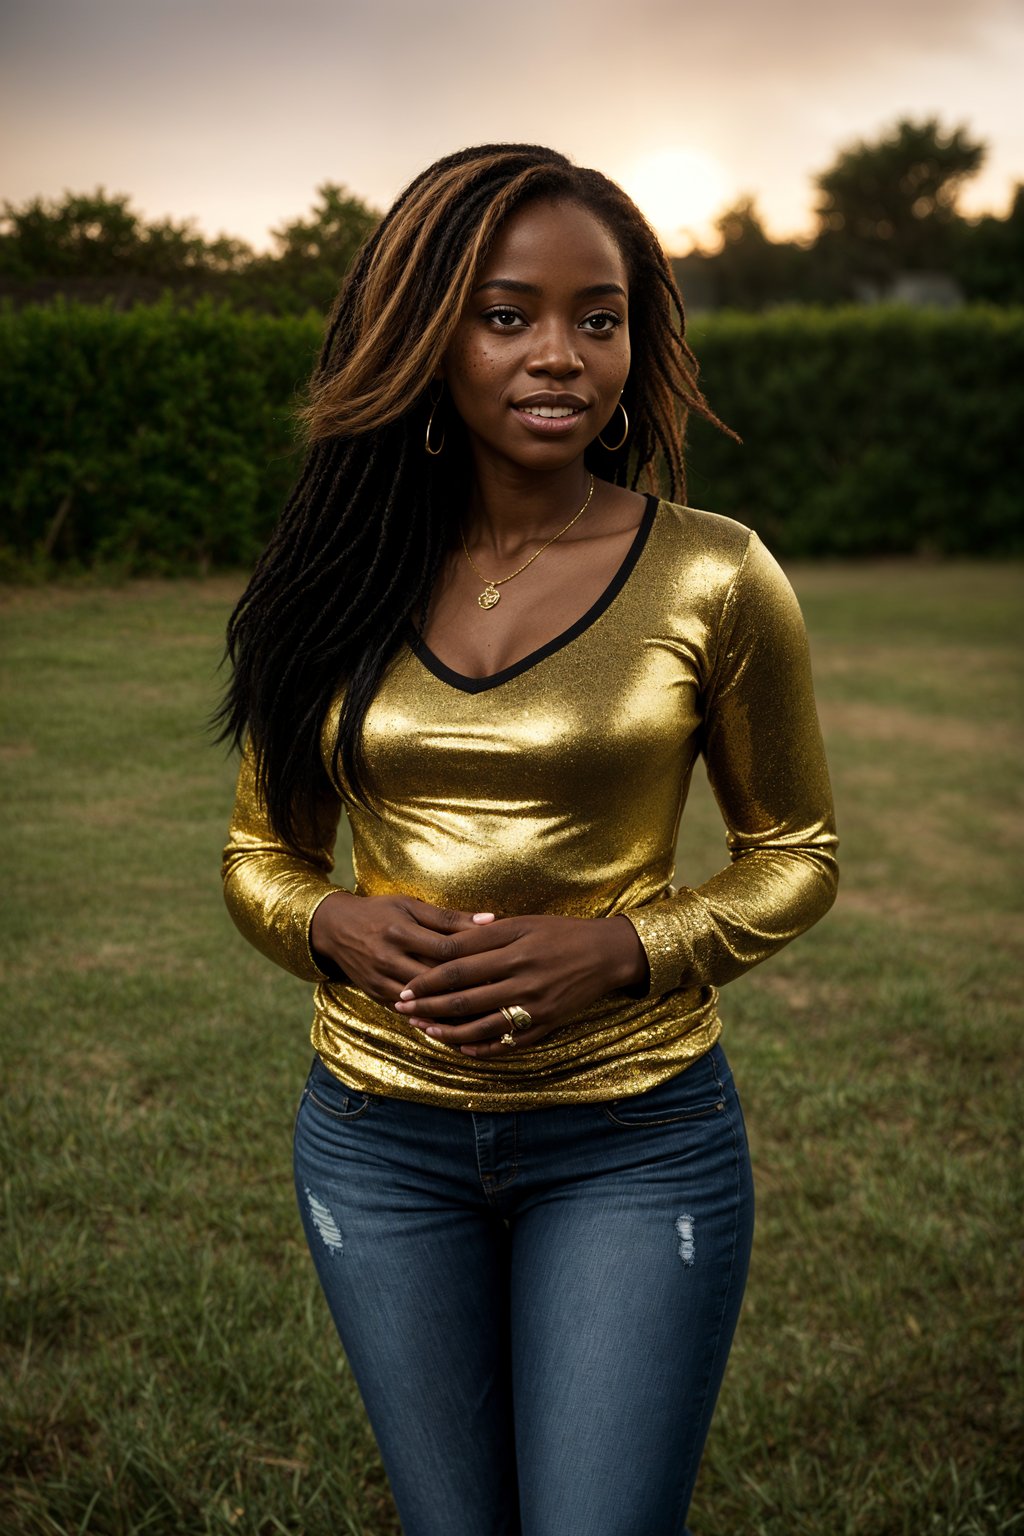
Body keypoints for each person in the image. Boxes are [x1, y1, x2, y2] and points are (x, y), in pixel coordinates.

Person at [218, 143, 838, 1536]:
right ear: (427, 330)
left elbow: (797, 851)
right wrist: (332, 923)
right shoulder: (330, 576)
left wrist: (623, 952)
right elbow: (260, 855)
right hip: (375, 1141)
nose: (561, 355)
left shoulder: (715, 573)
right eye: (508, 316)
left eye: (597, 317)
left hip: (634, 1140)